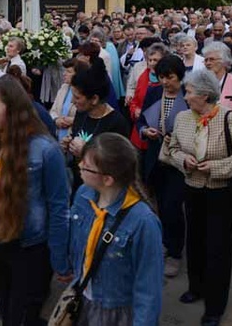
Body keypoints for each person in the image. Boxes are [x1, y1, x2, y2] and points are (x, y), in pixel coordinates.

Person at [0, 76, 71, 326]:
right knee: (8, 308)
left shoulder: (45, 150)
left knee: (22, 314)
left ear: (12, 108)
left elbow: (58, 208)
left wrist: (60, 258)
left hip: (30, 247)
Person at [164, 70, 232, 326]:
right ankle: (196, 287)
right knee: (194, 241)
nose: (185, 96)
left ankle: (215, 306)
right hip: (192, 189)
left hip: (222, 193)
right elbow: (170, 148)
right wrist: (184, 160)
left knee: (218, 249)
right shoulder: (183, 118)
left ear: (205, 95)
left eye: (190, 92)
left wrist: (214, 168)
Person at [69, 133, 163, 325]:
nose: (79, 167)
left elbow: (148, 287)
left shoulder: (143, 222)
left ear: (108, 179)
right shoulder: (83, 196)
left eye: (86, 166)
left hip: (116, 311)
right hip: (83, 297)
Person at [138, 55, 188, 277]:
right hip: (155, 155)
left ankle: (175, 251)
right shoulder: (154, 92)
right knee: (158, 204)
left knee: (172, 206)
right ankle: (164, 243)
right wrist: (145, 131)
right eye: (162, 77)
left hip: (178, 160)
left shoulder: (188, 95)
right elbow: (141, 120)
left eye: (171, 77)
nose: (166, 82)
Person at [62, 60, 130, 191]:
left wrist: (86, 151)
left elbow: (118, 165)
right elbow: (77, 133)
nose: (72, 101)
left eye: (77, 98)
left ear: (94, 99)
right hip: (79, 184)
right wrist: (69, 143)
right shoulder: (82, 113)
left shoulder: (116, 123)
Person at [202, 42, 232, 119]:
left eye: (212, 59)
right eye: (206, 60)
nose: (208, 63)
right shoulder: (200, 83)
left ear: (224, 61)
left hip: (230, 127)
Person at [50, 58, 85, 142]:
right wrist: (56, 119)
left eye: (69, 72)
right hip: (58, 134)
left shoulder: (84, 92)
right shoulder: (63, 87)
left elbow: (87, 116)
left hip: (74, 137)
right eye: (65, 71)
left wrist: (73, 121)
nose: (64, 74)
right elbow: (53, 110)